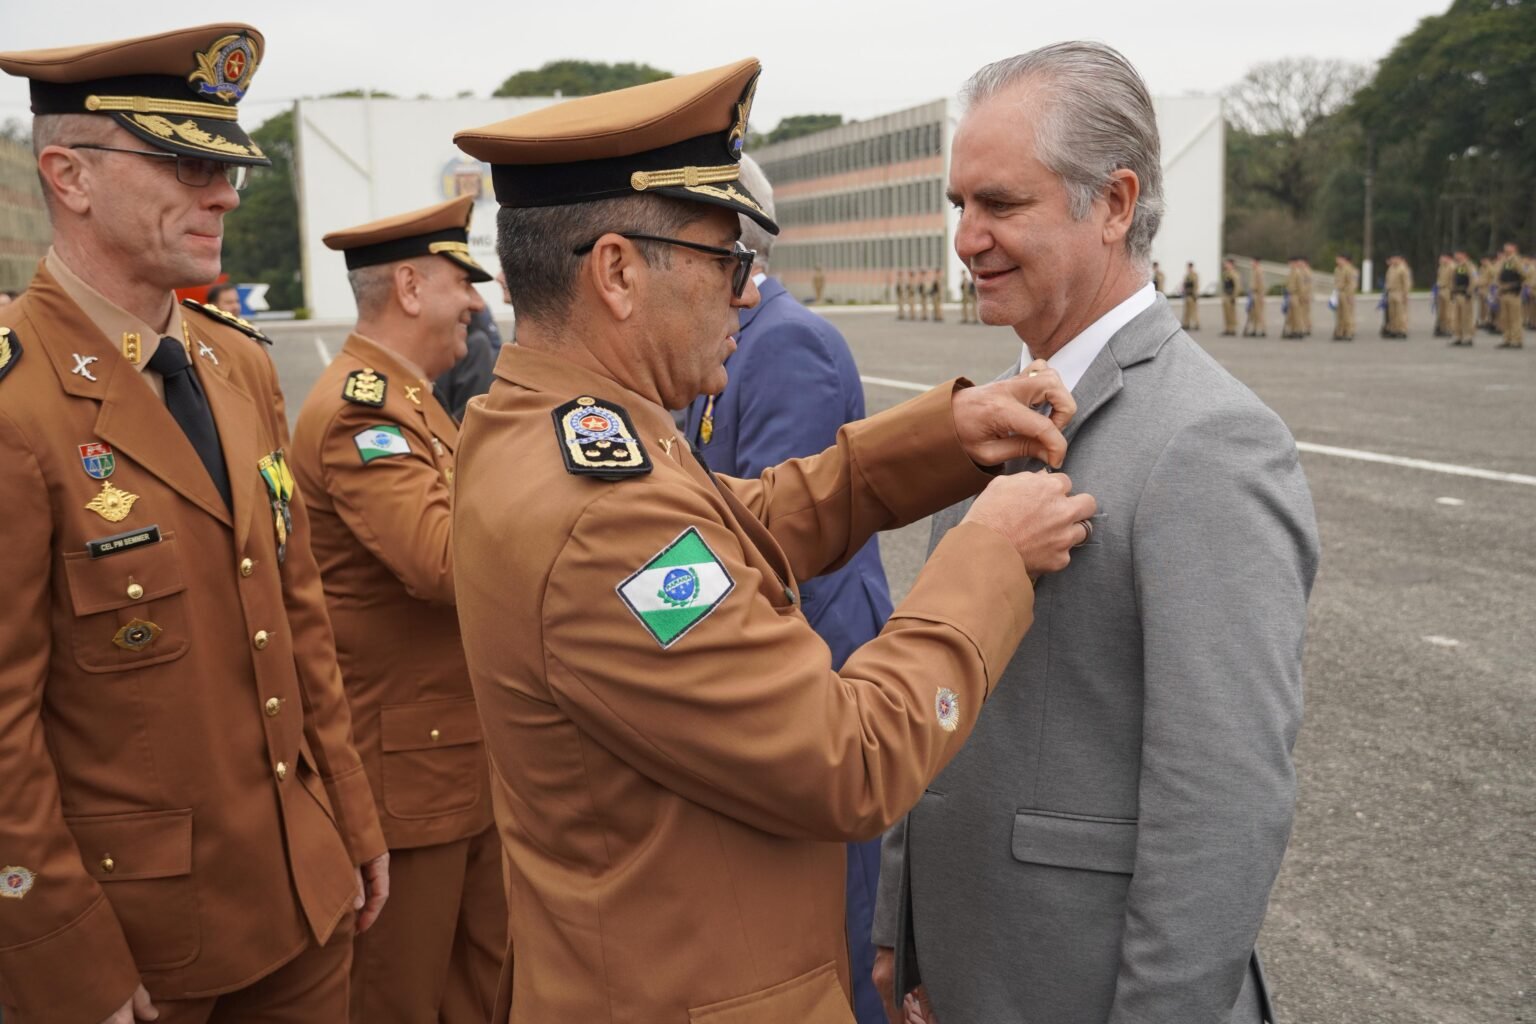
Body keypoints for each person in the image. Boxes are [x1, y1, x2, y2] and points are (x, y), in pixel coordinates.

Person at [449, 58, 1098, 1023]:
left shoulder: (551, 431)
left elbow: (731, 526)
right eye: (727, 263)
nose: (747, 296)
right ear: (619, 272)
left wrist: (933, 441)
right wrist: (988, 558)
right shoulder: (600, 512)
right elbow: (846, 759)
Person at [872, 42, 1319, 1024]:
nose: (967, 237)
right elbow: (960, 694)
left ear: (1113, 203)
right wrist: (901, 917)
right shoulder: (1000, 410)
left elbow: (1225, 802)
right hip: (968, 969)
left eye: (1000, 204)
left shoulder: (1209, 439)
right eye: (958, 206)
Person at [0, 24, 388, 1022]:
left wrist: (348, 809)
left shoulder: (237, 364)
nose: (223, 191)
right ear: (69, 176)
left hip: (302, 893)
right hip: (135, 941)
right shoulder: (15, 401)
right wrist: (63, 955)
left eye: (229, 167)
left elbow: (298, 614)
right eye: (187, 162)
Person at [682, 154, 894, 1024]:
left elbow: (785, 540)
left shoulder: (786, 341)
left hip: (823, 660)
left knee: (836, 929)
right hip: (773, 656)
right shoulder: (735, 336)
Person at [290, 195, 506, 1022]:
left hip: (450, 765)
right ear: (411, 287)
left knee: (478, 994)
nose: (478, 304)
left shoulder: (410, 401)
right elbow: (443, 560)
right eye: (463, 282)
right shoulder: (363, 409)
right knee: (403, 999)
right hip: (407, 783)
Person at [1495, 242, 1525, 349]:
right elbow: (1498, 275)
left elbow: (1524, 274)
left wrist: (1519, 286)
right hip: (1504, 293)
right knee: (1505, 318)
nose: (1506, 249)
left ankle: (1516, 340)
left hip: (1513, 293)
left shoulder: (1517, 260)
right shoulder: (1504, 261)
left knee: (1515, 318)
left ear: (1514, 248)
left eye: (1508, 247)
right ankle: (1507, 339)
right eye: (1505, 247)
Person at [1450, 249, 1476, 346]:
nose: (1456, 256)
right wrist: (1452, 291)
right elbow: (1453, 280)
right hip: (1457, 294)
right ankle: (1458, 336)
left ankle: (1467, 336)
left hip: (1465, 294)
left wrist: (1469, 292)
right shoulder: (1457, 266)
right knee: (1457, 317)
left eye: (1458, 254)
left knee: (1466, 317)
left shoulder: (1469, 266)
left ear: (1463, 255)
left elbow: (1473, 280)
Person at [1385, 254, 1411, 339]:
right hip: (1391, 292)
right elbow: (1388, 280)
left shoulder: (1403, 269)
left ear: (1399, 258)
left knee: (1400, 313)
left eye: (1394, 258)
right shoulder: (1391, 268)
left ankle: (1402, 330)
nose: (1392, 260)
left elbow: (1406, 283)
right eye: (1392, 258)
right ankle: (1394, 329)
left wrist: (1405, 294)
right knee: (1392, 313)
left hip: (1399, 292)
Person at [1333, 253, 1358, 341]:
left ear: (1344, 259)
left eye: (1339, 259)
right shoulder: (1338, 269)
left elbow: (1352, 283)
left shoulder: (1349, 269)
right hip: (1339, 292)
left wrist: (1350, 295)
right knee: (1340, 314)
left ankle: (1348, 332)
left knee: (1347, 314)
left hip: (1346, 293)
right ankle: (1340, 332)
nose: (1337, 261)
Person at [1244, 257, 1267, 337]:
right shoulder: (1254, 271)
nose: (1251, 263)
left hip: (1258, 295)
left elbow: (1261, 285)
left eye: (1252, 262)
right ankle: (1254, 329)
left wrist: (1261, 297)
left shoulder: (1259, 271)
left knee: (1259, 313)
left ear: (1256, 262)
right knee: (1253, 313)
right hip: (1253, 294)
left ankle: (1262, 330)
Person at [1434, 253, 1454, 337]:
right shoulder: (1441, 267)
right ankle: (1441, 328)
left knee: (1448, 311)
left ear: (1447, 258)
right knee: (1441, 312)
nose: (1440, 260)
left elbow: (1453, 280)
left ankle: (1449, 328)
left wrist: (1453, 291)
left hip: (1448, 290)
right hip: (1441, 289)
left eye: (1442, 258)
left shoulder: (1452, 267)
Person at [1219, 258, 1239, 335]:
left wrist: (1234, 297)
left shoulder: (1234, 274)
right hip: (1226, 296)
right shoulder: (1226, 273)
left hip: (1230, 296)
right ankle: (1227, 328)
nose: (1225, 265)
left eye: (1227, 264)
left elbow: (1237, 286)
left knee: (1231, 314)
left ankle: (1232, 329)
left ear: (1231, 264)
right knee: (1226, 313)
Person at [1180, 261, 1199, 330]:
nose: (1188, 268)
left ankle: (1196, 324)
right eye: (1187, 267)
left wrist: (1195, 295)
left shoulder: (1194, 275)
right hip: (1187, 295)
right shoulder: (1186, 275)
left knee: (1193, 311)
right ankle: (1186, 323)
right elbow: (1184, 285)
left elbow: (1196, 285)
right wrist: (1182, 291)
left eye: (1189, 267)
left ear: (1192, 267)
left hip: (1191, 295)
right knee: (1186, 311)